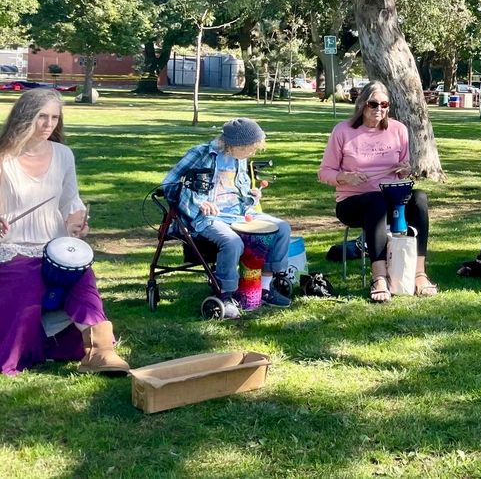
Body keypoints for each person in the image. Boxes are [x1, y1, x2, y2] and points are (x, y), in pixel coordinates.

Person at [0, 88, 130, 375]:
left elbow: (71, 201)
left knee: (82, 276)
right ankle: (27, 348)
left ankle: (101, 352)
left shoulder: (63, 155)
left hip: (54, 245)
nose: (48, 125)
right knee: (27, 280)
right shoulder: (3, 158)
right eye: (41, 117)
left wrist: (77, 223)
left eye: (54, 118)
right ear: (24, 118)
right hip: (12, 249)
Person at [162, 117, 293, 317]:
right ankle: (226, 294)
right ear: (235, 144)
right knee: (232, 242)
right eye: (251, 147)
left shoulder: (240, 158)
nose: (253, 152)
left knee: (282, 228)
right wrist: (196, 203)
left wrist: (251, 194)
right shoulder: (201, 154)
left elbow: (237, 189)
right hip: (206, 217)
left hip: (239, 213)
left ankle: (265, 288)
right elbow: (168, 184)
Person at [319, 82, 437, 302]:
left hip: (391, 198)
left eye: (384, 104)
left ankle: (420, 273)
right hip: (352, 202)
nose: (379, 109)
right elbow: (324, 172)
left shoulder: (398, 129)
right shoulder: (343, 131)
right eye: (373, 104)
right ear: (362, 104)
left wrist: (406, 169)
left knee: (419, 197)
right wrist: (345, 177)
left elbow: (404, 167)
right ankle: (379, 278)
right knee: (376, 201)